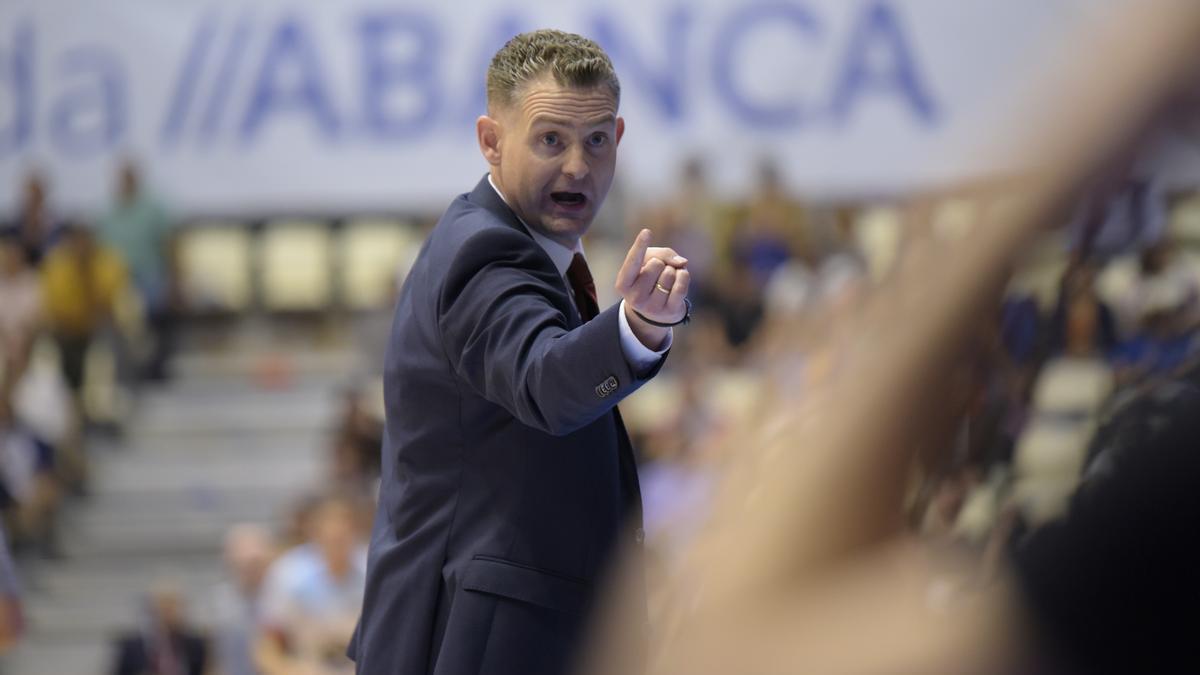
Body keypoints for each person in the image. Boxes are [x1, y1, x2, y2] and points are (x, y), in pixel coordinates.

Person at [349, 29, 691, 675]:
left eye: (595, 140)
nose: (576, 167)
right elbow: (546, 381)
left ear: (618, 140)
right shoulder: (487, 255)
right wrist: (638, 325)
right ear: (491, 141)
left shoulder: (524, 248)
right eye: (549, 140)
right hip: (480, 644)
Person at [257, 494, 366, 675]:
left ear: (355, 528)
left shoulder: (371, 571)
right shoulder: (287, 573)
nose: (337, 531)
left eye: (345, 522)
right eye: (329, 523)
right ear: (313, 529)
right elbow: (267, 649)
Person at [97, 160, 179, 381]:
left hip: (149, 275)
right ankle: (126, 371)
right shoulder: (109, 211)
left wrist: (174, 278)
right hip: (118, 280)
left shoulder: (153, 207)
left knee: (153, 324)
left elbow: (169, 243)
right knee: (122, 328)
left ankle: (155, 370)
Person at [209, 524, 275, 675]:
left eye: (255, 562)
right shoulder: (220, 600)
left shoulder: (282, 596)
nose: (249, 569)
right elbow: (216, 653)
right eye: (241, 562)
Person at [110, 584, 208, 675]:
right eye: (164, 605)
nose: (169, 612)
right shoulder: (132, 646)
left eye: (174, 605)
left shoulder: (195, 645)